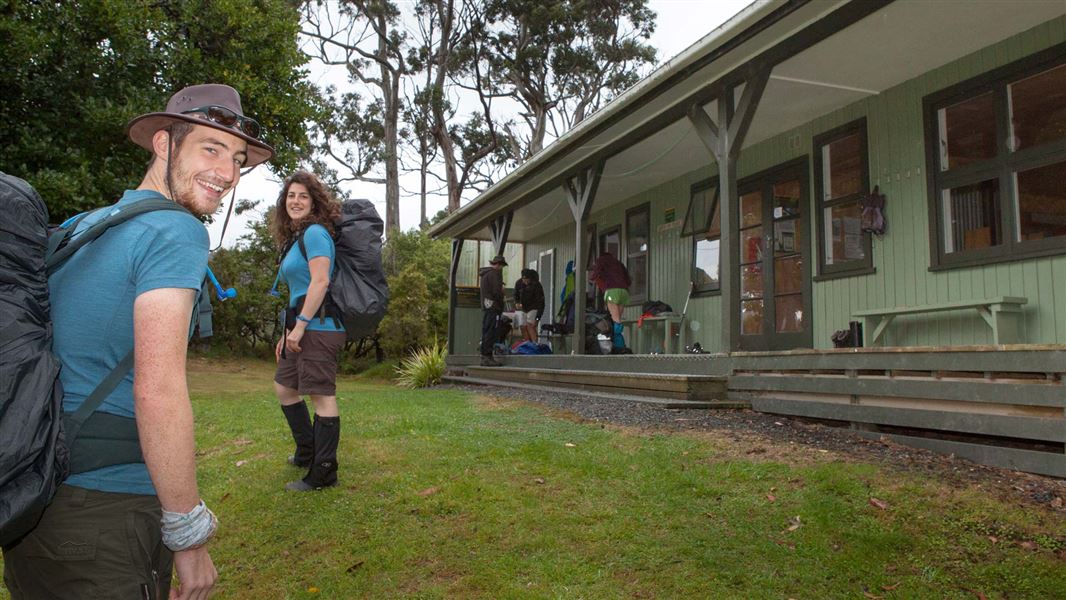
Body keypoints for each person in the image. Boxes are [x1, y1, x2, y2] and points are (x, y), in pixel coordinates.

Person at [2, 84, 273, 599]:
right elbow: (158, 390)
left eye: (238, 159)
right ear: (165, 145)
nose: (229, 172)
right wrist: (187, 535)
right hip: (105, 514)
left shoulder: (83, 226)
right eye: (210, 149)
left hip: (37, 501)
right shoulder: (176, 233)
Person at [270, 171, 345, 492]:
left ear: (314, 202)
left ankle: (324, 472)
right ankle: (308, 451)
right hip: (300, 325)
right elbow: (298, 291)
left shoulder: (315, 234)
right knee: (285, 388)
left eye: (303, 196)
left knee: (321, 396)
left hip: (318, 327)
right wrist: (287, 332)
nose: (296, 201)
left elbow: (320, 282)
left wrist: (299, 328)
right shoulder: (296, 239)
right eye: (291, 196)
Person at [589, 250, 631, 349]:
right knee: (618, 319)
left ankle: (618, 346)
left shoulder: (601, 261)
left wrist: (603, 286)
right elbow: (628, 280)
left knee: (615, 320)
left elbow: (594, 276)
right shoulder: (618, 263)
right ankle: (620, 344)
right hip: (624, 291)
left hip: (612, 290)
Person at [478, 254, 507, 366]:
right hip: (494, 306)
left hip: (487, 306)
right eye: (502, 266)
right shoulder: (495, 274)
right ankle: (487, 357)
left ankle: (484, 356)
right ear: (499, 265)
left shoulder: (485, 274)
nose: (502, 268)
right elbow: (496, 292)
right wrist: (502, 293)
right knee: (491, 331)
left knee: (486, 330)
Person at [516, 268, 545, 342]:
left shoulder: (537, 285)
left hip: (534, 308)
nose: (525, 281)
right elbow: (515, 295)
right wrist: (517, 302)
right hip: (523, 308)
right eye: (523, 279)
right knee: (522, 326)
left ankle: (534, 345)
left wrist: (537, 319)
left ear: (530, 278)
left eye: (527, 280)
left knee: (530, 326)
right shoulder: (518, 283)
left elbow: (541, 303)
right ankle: (527, 344)